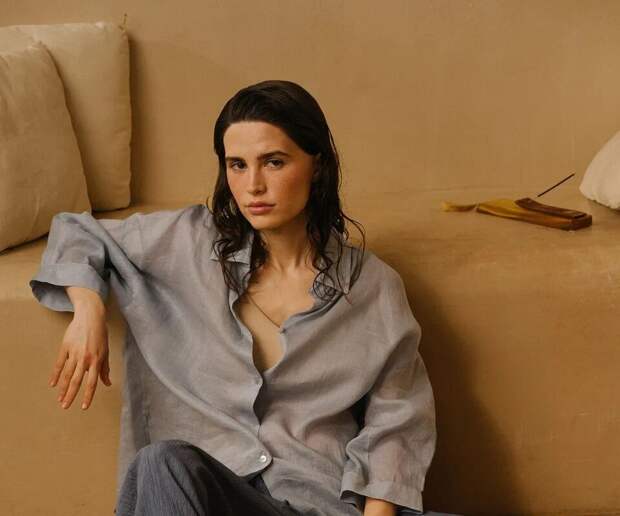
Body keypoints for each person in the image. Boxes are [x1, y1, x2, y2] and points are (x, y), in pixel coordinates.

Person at [30, 80, 459, 516]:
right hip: (202, 501)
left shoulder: (372, 286)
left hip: (319, 504)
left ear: (317, 165)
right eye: (237, 165)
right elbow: (75, 231)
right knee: (162, 463)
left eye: (273, 162)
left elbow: (396, 422)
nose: (253, 185)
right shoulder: (187, 243)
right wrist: (88, 307)